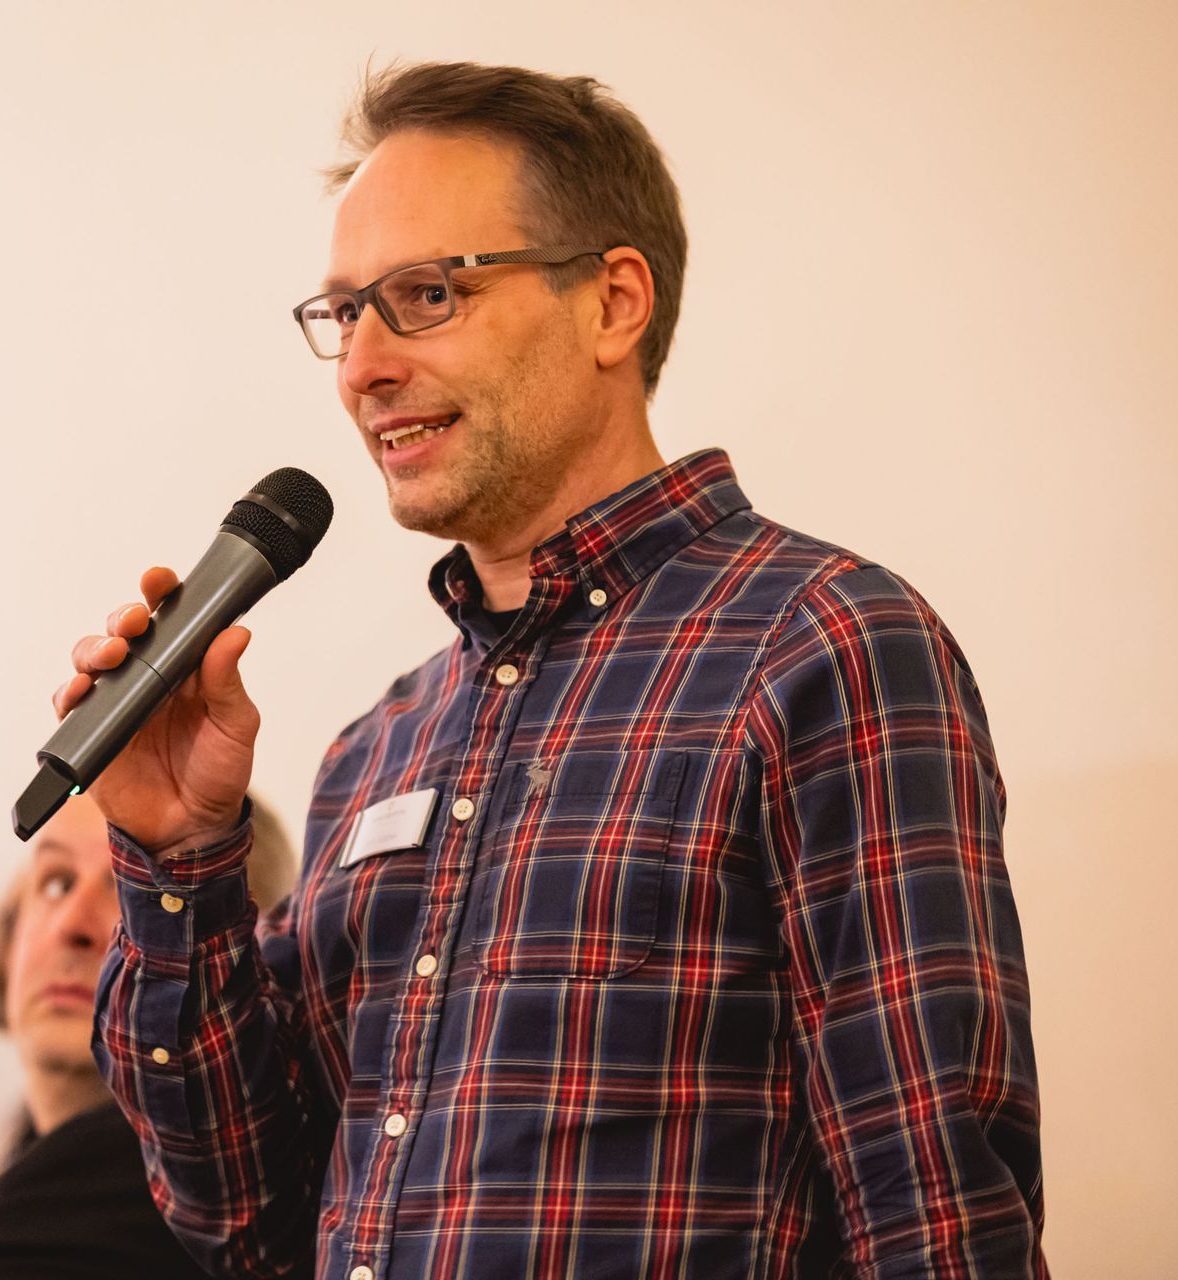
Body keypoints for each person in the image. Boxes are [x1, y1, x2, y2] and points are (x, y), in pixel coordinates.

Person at [60, 61, 1046, 1279]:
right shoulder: (378, 747)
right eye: (346, 314)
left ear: (613, 302)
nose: (361, 367)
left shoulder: (820, 646)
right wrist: (180, 858)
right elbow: (248, 1219)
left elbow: (934, 1205)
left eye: (426, 294)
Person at [0, 793, 297, 1280]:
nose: (72, 925)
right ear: (9, 934)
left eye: (139, 892)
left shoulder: (242, 1215)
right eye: (57, 882)